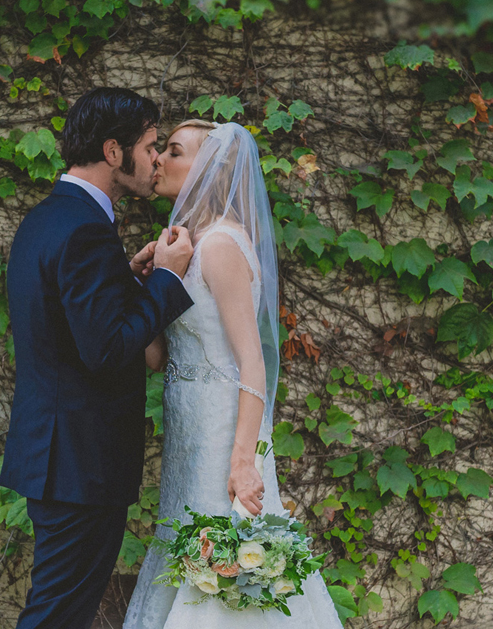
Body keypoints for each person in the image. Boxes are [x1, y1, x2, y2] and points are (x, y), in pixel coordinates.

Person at [123, 120, 343, 628]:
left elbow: (253, 361)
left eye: (174, 151)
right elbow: (157, 358)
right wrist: (148, 286)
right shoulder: (184, 246)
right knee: (188, 554)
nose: (158, 160)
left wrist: (244, 461)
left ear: (211, 169)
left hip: (225, 436)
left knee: (225, 569)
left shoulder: (220, 246)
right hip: (188, 436)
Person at [1, 87, 196, 629]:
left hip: (58, 458)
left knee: (59, 611)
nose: (157, 159)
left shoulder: (49, 217)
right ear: (114, 151)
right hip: (78, 465)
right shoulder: (87, 229)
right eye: (152, 146)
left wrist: (128, 284)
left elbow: (73, 325)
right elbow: (107, 351)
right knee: (57, 617)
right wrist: (166, 279)